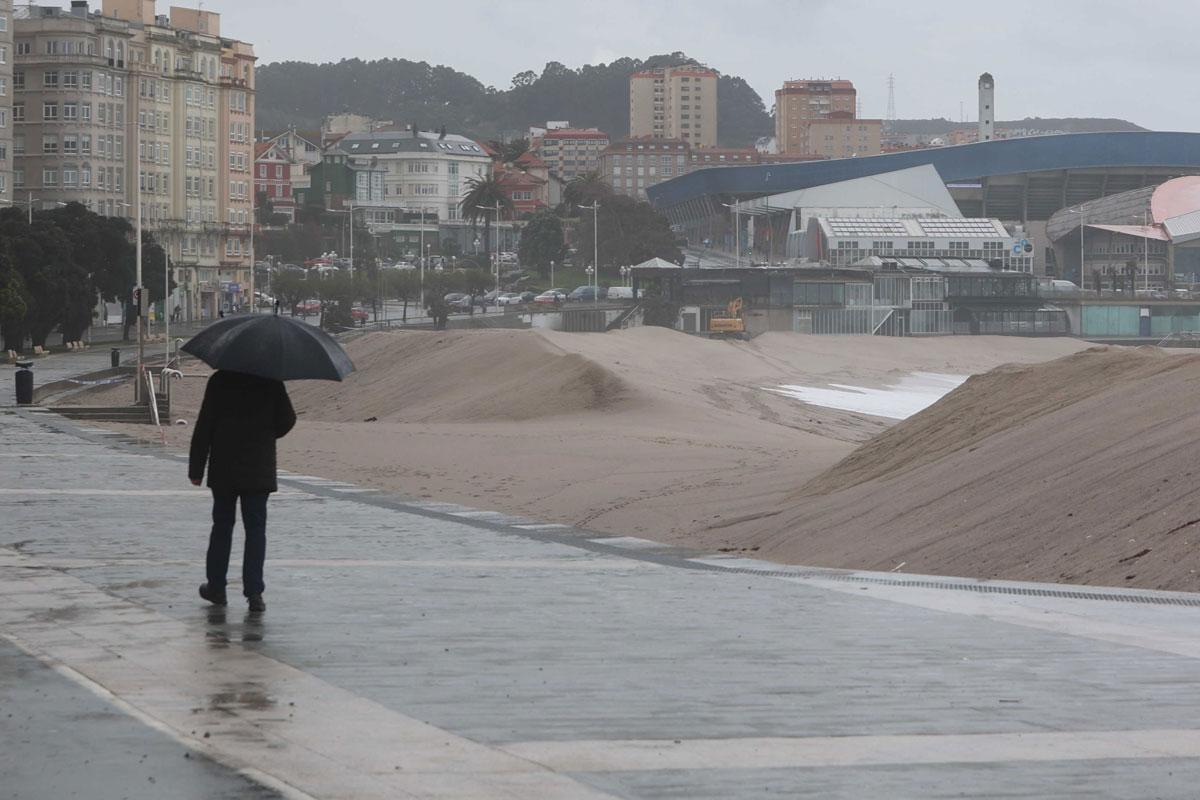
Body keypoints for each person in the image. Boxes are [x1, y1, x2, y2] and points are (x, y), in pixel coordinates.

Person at [188, 370, 296, 612]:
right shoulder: (271, 381)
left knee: (222, 527)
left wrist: (196, 468)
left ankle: (216, 586)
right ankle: (255, 593)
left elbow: (204, 424)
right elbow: (287, 420)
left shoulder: (220, 380)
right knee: (256, 530)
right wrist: (266, 433)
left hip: (224, 467)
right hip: (258, 468)